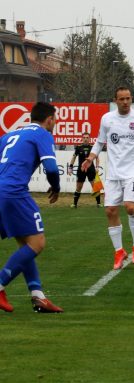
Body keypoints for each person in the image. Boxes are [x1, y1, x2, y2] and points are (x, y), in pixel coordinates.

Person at [81, 87, 134, 270]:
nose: (125, 102)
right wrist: (90, 158)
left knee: (130, 207)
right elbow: (100, 141)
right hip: (114, 173)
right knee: (110, 211)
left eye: (128, 98)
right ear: (115, 100)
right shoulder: (107, 119)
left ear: (131, 99)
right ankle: (119, 251)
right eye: (121, 99)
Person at [0, 102, 64, 313]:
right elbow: (52, 168)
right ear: (49, 119)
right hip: (14, 192)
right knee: (37, 243)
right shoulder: (42, 133)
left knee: (25, 244)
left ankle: (38, 296)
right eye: (55, 120)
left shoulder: (10, 135)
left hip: (3, 191)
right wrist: (56, 187)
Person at [67, 132, 102, 208]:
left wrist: (97, 167)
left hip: (91, 170)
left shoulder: (93, 147)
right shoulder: (78, 147)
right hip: (81, 170)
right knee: (78, 187)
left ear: (89, 139)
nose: (85, 139)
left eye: (87, 137)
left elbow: (97, 158)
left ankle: (98, 203)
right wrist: (70, 167)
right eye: (84, 137)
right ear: (82, 139)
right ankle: (75, 204)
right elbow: (74, 157)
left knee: (95, 186)